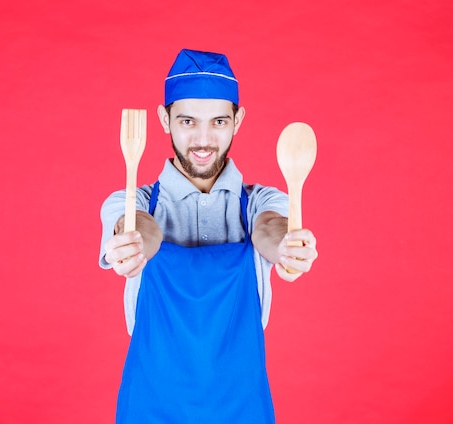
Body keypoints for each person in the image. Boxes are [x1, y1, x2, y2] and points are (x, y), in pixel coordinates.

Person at [99, 48, 318, 424]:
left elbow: (270, 227)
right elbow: (136, 226)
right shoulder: (134, 201)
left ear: (238, 120)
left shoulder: (258, 202)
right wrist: (134, 243)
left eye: (218, 121)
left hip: (240, 404)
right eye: (187, 121)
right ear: (164, 120)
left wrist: (286, 246)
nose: (203, 140)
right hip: (152, 404)